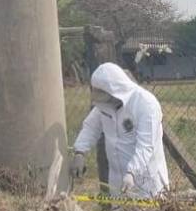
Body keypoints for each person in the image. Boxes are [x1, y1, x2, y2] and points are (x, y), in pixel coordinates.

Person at [69, 62, 169, 198]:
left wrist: (132, 173)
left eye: (106, 98)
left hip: (146, 184)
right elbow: (91, 128)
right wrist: (79, 152)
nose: (103, 103)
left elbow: (145, 146)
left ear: (115, 91)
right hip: (117, 183)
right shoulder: (104, 106)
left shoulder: (146, 104)